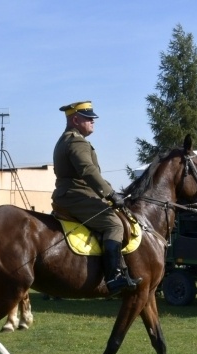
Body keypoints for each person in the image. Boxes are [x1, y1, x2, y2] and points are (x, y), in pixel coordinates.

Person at [52, 101, 140, 294]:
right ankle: (113, 278)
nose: (93, 121)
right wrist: (110, 193)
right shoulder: (76, 141)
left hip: (70, 194)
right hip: (77, 196)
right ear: (75, 119)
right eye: (88, 118)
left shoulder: (65, 140)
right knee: (114, 225)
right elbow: (88, 171)